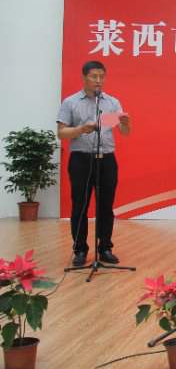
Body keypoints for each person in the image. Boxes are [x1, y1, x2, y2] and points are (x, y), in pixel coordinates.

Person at [57, 60, 131, 267]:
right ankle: (80, 249)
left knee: (106, 206)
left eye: (101, 76)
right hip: (81, 160)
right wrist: (80, 129)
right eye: (94, 76)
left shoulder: (112, 103)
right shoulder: (71, 102)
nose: (98, 80)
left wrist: (126, 124)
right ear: (84, 78)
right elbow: (61, 132)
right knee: (80, 206)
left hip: (106, 159)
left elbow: (124, 132)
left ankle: (105, 247)